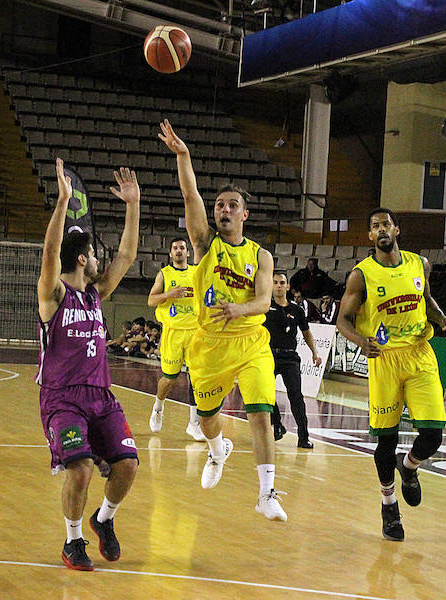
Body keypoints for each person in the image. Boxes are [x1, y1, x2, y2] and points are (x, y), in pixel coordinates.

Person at [160, 119, 286, 521]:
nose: (224, 209)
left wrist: (239, 309)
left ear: (245, 213)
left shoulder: (260, 256)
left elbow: (265, 301)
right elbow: (189, 192)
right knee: (208, 419)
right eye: (220, 205)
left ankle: (267, 493)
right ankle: (218, 452)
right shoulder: (203, 244)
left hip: (250, 342)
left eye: (232, 205)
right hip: (210, 345)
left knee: (261, 413)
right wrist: (184, 156)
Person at [36, 158, 140, 571]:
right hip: (62, 399)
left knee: (128, 465)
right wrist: (62, 202)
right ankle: (72, 540)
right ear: (82, 259)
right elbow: (49, 252)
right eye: (94, 254)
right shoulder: (53, 295)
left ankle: (104, 520)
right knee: (78, 470)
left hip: (102, 397)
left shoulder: (96, 294)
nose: (100, 259)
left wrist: (133, 203)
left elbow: (128, 254)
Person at [336, 208, 446, 542]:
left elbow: (427, 299)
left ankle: (410, 467)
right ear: (370, 237)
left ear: (397, 230)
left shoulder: (420, 264)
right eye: (375, 226)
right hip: (385, 359)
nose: (381, 230)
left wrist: (444, 319)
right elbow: (343, 320)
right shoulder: (361, 276)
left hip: (420, 354)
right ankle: (389, 505)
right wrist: (361, 341)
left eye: (386, 224)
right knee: (385, 441)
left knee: (433, 435)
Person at [146, 237, 204, 441]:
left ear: (187, 252)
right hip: (173, 332)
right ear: (170, 253)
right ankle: (158, 407)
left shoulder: (197, 272)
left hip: (195, 332)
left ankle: (194, 423)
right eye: (175, 248)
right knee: (169, 379)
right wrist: (170, 294)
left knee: (196, 378)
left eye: (182, 248)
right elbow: (151, 300)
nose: (179, 251)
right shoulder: (164, 274)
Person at [265, 272, 322, 449]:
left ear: (288, 286)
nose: (279, 286)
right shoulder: (265, 306)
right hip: (268, 356)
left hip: (290, 357)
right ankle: (277, 425)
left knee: (296, 397)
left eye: (282, 282)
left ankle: (303, 437)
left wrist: (315, 352)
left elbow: (306, 332)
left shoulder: (297, 310)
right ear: (271, 285)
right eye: (275, 282)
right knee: (265, 395)